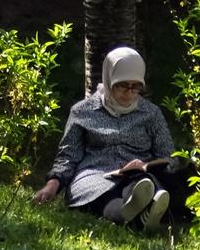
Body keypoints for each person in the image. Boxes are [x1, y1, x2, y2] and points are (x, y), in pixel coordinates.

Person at [32, 46, 175, 233]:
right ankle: (136, 214)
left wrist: (147, 165)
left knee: (141, 183)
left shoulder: (151, 113)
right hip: (95, 175)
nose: (129, 93)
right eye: (123, 85)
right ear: (109, 80)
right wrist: (52, 185)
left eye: (136, 87)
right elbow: (68, 155)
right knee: (104, 195)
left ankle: (143, 206)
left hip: (138, 173)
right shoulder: (82, 111)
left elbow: (167, 155)